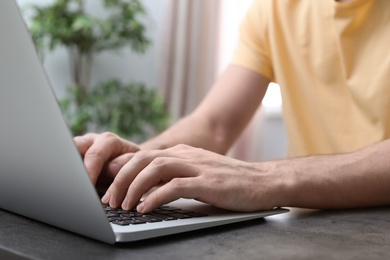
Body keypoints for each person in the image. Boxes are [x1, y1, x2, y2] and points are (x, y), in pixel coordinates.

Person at [75, 0, 390, 213]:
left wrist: (264, 178)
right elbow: (215, 124)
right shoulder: (275, 8)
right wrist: (135, 163)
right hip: (311, 227)